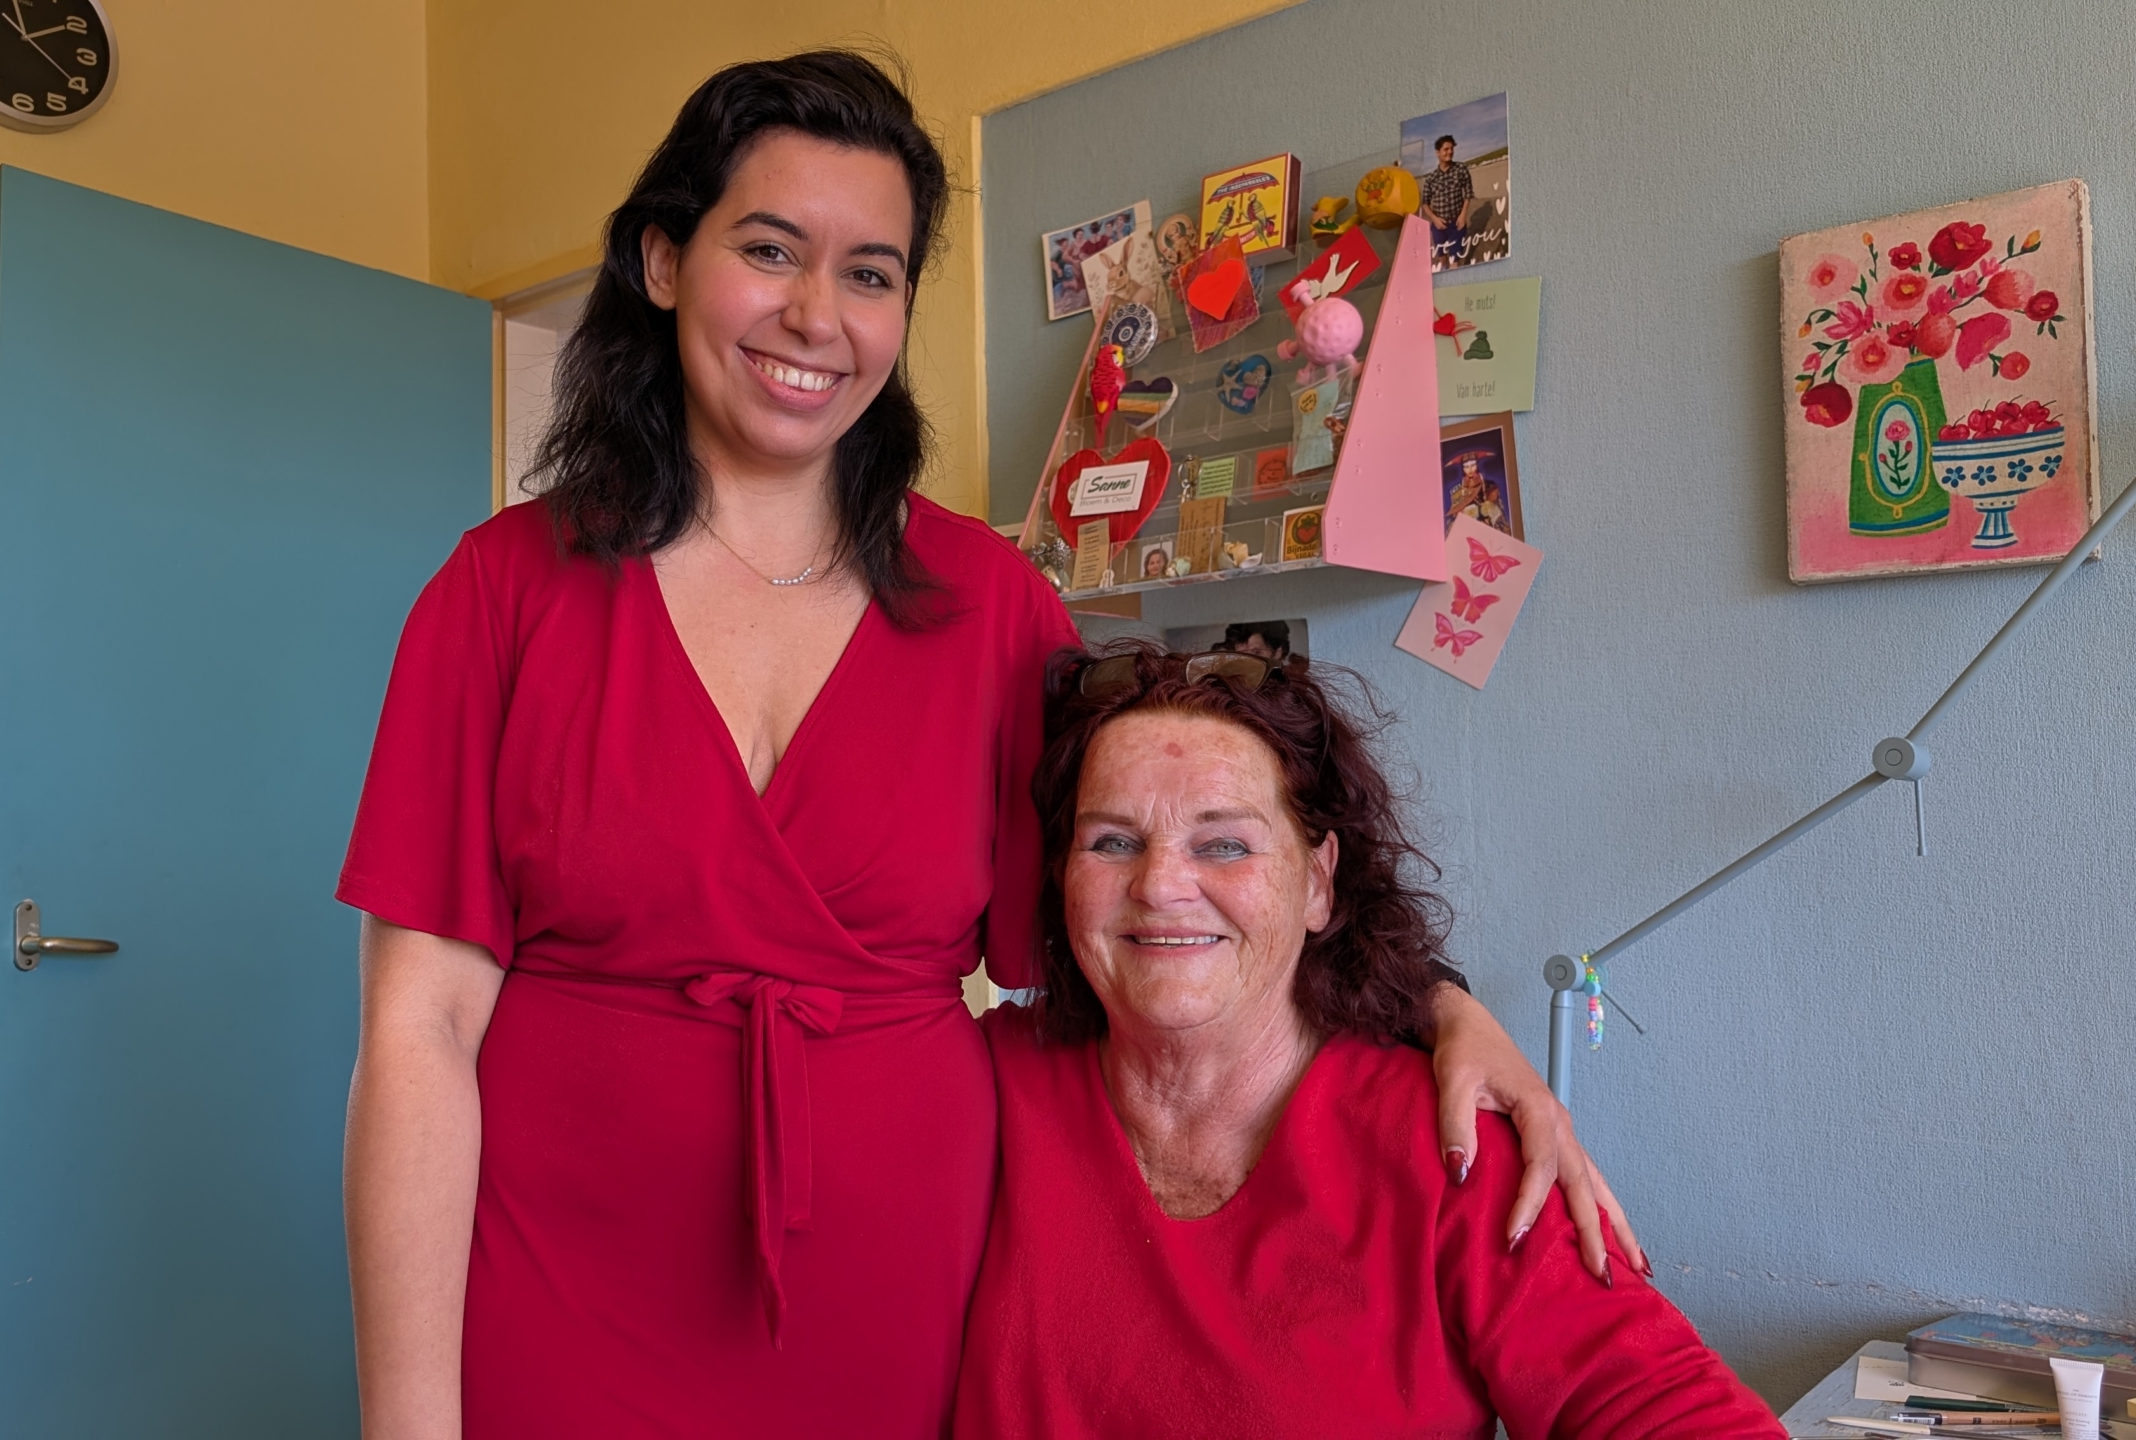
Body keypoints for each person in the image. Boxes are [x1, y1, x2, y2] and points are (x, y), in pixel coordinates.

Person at [340, 51, 1635, 1438]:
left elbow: (1172, 900)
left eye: (870, 272)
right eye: (768, 250)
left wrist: (1439, 1006)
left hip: (901, 1296)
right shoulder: (499, 594)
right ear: (663, 261)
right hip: (558, 1281)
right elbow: (419, 1031)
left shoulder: (996, 608)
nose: (815, 314)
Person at [955, 648, 1785, 1438]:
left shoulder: (1453, 1143)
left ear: (1318, 882)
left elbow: (1660, 1406)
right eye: (1112, 842)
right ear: (1062, 875)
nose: (1161, 885)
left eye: (1225, 844)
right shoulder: (976, 1088)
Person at [1423, 133, 1476, 266]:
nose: (1450, 152)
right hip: (1438, 225)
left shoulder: (1461, 169)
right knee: (1442, 256)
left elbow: (1468, 193)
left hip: (1457, 223)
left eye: (1451, 148)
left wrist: (1463, 215)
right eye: (1446, 149)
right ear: (1437, 152)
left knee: (1454, 259)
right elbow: (1425, 203)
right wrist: (1434, 219)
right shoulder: (1431, 178)